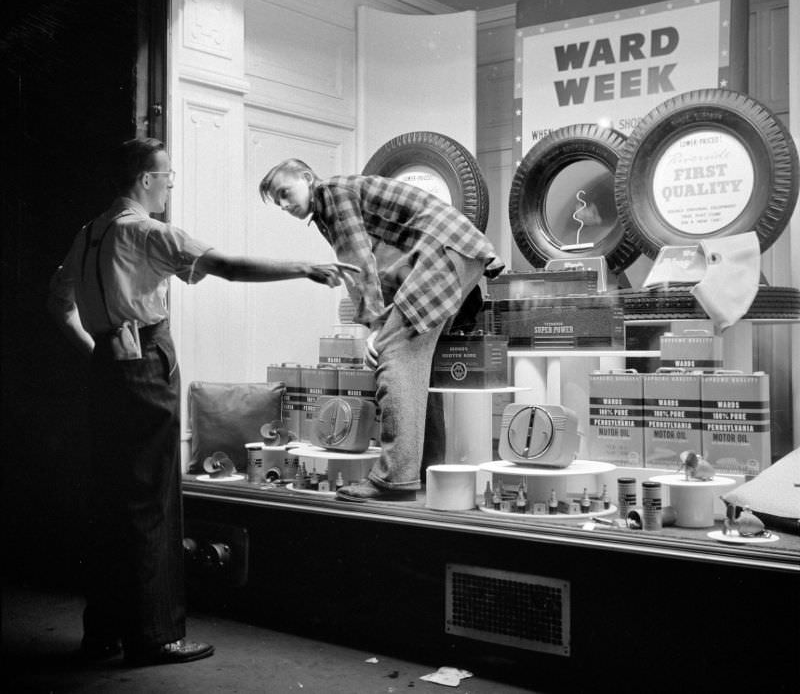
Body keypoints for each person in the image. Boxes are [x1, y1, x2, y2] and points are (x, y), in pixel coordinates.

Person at [47, 138, 356, 666]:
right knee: (153, 502)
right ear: (145, 179)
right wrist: (304, 267)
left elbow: (57, 302)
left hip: (107, 371)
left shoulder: (91, 231)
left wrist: (98, 348)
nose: (171, 184)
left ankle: (103, 636)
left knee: (112, 502)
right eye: (167, 175)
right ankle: (157, 635)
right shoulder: (145, 232)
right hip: (145, 367)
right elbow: (228, 265)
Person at [259, 159, 504, 502]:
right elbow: (381, 263)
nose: (285, 205)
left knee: (395, 360)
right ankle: (421, 470)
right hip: (458, 251)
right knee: (416, 367)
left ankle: (393, 480)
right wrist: (380, 319)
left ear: (306, 177)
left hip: (444, 251)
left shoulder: (332, 194)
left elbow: (357, 264)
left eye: (285, 193)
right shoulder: (335, 199)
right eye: (278, 202)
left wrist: (376, 325)